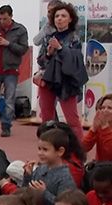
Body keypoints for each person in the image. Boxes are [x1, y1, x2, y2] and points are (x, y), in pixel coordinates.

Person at [36, 2, 87, 140]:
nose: (59, 18)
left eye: (63, 16)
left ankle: (79, 150)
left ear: (70, 19)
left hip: (66, 81)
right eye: (57, 16)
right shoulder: (48, 37)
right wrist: (48, 54)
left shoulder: (75, 38)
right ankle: (47, 145)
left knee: (72, 119)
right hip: (49, 79)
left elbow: (74, 61)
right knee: (46, 118)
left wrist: (60, 48)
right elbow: (40, 61)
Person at [0, 5, 29, 137]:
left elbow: (23, 49)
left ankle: (6, 126)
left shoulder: (20, 30)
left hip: (11, 70)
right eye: (0, 18)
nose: (2, 21)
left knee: (9, 100)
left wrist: (8, 43)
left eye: (5, 19)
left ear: (11, 16)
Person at [23, 128, 77, 205]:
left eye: (45, 150)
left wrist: (44, 193)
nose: (40, 153)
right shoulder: (40, 168)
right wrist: (28, 175)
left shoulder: (65, 177)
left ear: (60, 151)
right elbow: (26, 191)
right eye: (39, 149)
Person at [81, 94, 112, 162]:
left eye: (110, 108)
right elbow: (83, 148)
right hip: (100, 168)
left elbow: (109, 154)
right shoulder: (99, 127)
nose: (105, 110)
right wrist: (93, 129)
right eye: (102, 108)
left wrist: (105, 128)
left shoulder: (104, 127)